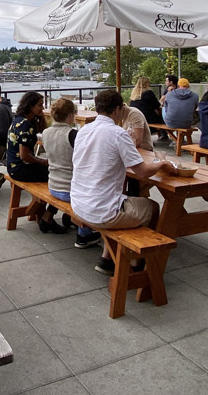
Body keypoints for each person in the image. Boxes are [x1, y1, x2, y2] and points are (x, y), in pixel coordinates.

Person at [70, 89, 179, 276]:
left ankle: (107, 259)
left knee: (126, 200)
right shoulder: (117, 133)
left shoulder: (83, 131)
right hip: (101, 211)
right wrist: (162, 164)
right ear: (119, 109)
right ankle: (139, 266)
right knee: (152, 208)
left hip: (79, 204)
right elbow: (143, 172)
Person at [44, 97, 101, 248]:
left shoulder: (46, 132)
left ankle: (69, 219)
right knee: (98, 192)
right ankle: (84, 235)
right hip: (70, 189)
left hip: (53, 184)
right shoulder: (72, 134)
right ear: (70, 115)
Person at [6, 91, 66, 234]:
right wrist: (42, 162)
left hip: (13, 167)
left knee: (56, 174)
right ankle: (48, 216)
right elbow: (24, 156)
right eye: (40, 105)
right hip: (21, 169)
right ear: (30, 106)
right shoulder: (26, 125)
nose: (43, 107)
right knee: (61, 176)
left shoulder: (18, 120)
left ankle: (44, 214)